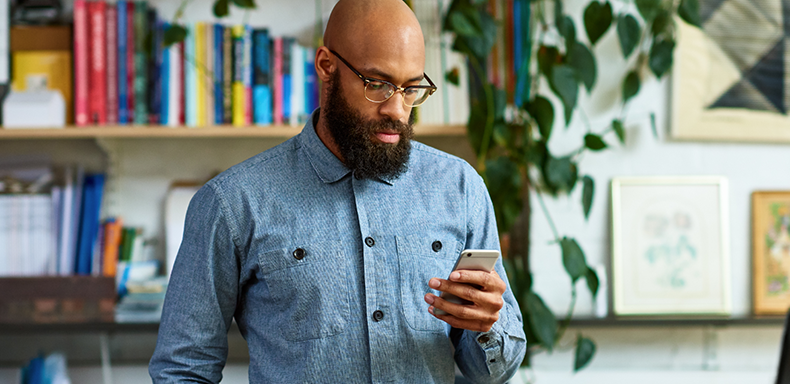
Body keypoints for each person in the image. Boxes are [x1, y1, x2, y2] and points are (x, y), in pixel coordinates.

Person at [149, 0, 526, 382]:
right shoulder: (232, 203)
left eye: (411, 88)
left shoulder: (460, 189)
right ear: (327, 67)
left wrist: (487, 325)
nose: (397, 109)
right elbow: (182, 369)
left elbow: (491, 373)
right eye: (377, 85)